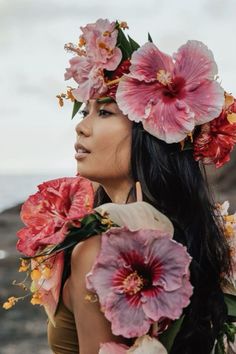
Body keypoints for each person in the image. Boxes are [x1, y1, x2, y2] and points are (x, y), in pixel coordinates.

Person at [6, 18, 236, 354]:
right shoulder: (200, 238)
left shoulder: (103, 248)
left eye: (104, 113)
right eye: (85, 111)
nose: (80, 128)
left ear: (155, 134)